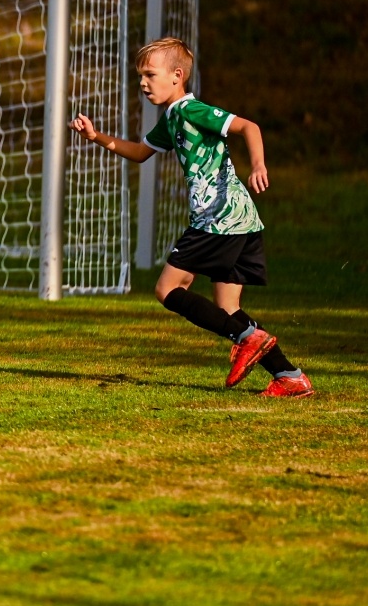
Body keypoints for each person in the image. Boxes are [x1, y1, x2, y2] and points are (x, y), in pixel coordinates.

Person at [70, 36, 313, 397]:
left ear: (177, 76)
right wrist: (96, 137)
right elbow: (139, 152)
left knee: (167, 289)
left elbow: (249, 127)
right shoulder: (171, 118)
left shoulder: (190, 110)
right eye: (140, 76)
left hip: (218, 218)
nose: (143, 83)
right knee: (228, 307)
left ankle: (250, 338)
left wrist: (258, 164)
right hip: (242, 219)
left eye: (150, 75)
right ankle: (288, 375)